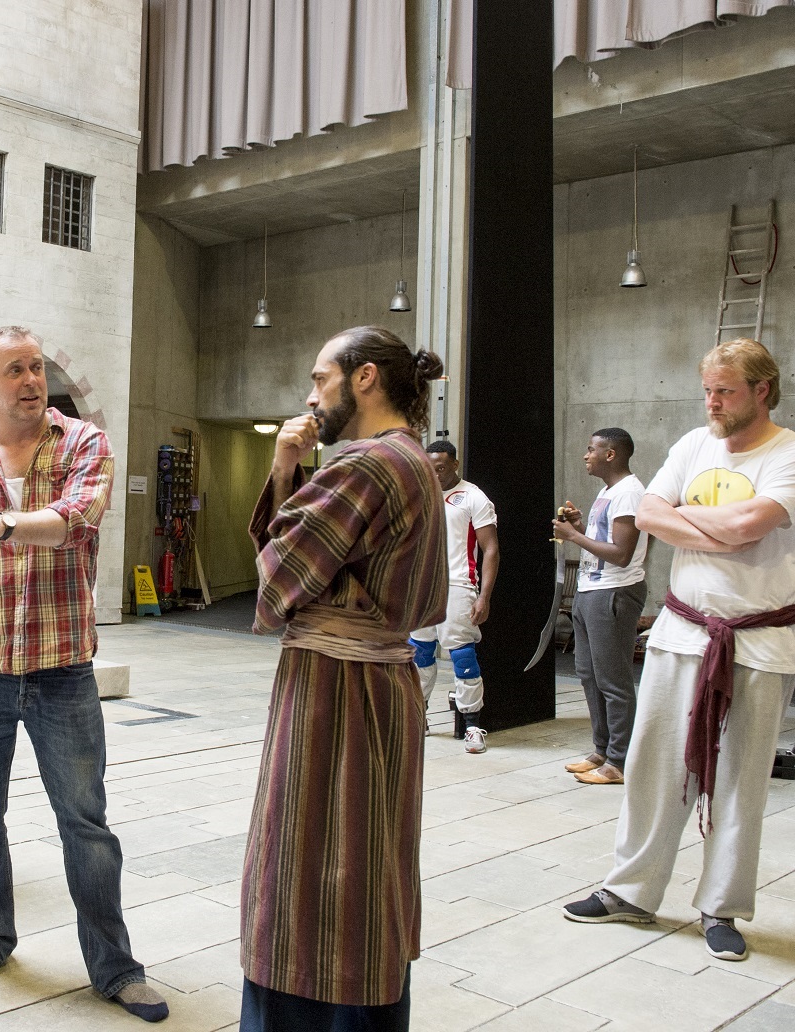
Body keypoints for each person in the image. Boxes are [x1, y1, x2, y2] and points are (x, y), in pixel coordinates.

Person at [0, 326, 167, 1022]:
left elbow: (81, 517)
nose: (30, 379)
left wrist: (4, 524)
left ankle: (115, 965)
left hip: (61, 670)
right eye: (13, 369)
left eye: (37, 366)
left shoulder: (82, 443)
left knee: (85, 823)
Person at [564, 338, 795, 965]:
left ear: (762, 390)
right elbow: (651, 512)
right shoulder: (691, 443)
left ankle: (722, 907)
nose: (712, 401)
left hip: (758, 640)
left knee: (739, 779)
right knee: (654, 767)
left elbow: (742, 529)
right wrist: (716, 529)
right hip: (682, 632)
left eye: (725, 391)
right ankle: (630, 890)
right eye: (707, 389)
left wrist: (700, 524)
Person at [242, 327, 448, 1031]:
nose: (310, 394)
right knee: (366, 867)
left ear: (366, 379)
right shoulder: (411, 459)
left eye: (321, 377)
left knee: (314, 869)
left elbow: (276, 578)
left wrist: (284, 469)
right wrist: (289, 465)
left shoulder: (367, 465)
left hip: (337, 692)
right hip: (379, 683)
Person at [552, 428, 648, 785]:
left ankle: (621, 761)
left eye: (591, 449)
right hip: (592, 591)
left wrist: (573, 536)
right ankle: (603, 749)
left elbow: (622, 555)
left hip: (614, 592)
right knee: (590, 675)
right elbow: (604, 542)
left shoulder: (629, 494)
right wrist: (580, 526)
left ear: (611, 454)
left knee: (613, 680)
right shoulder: (607, 492)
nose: (585, 455)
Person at [409, 440, 500, 753]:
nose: (435, 474)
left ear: (455, 465)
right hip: (421, 587)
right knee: (418, 653)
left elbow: (491, 549)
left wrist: (484, 596)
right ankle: (418, 716)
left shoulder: (474, 497)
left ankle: (473, 725)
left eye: (441, 468)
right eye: (430, 468)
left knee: (462, 655)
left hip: (458, 586)